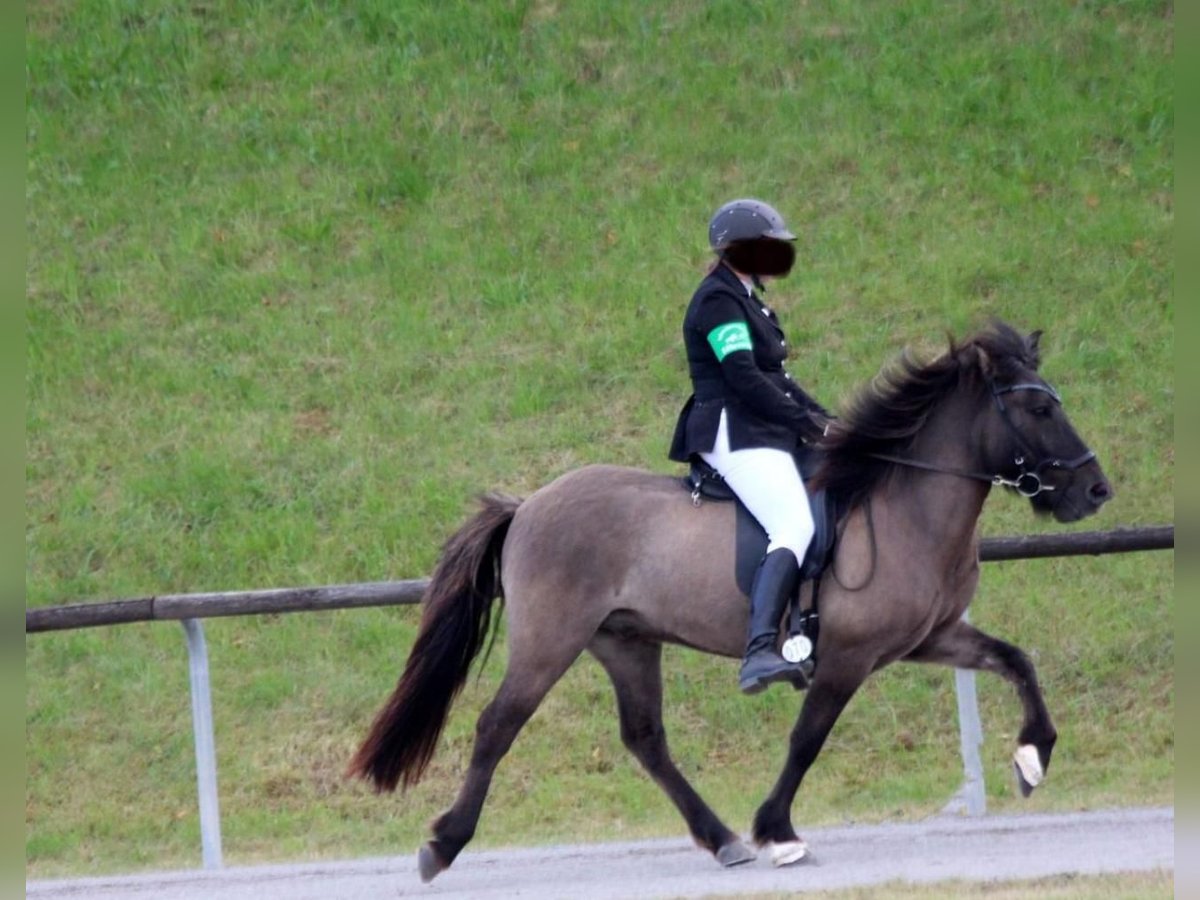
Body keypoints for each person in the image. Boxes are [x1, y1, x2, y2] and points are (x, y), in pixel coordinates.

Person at [669, 198, 832, 694]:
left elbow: (776, 378)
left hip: (760, 427)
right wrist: (808, 424)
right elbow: (742, 378)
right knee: (793, 522)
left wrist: (827, 423)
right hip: (731, 430)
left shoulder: (748, 298)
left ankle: (808, 620)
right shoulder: (718, 301)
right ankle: (760, 650)